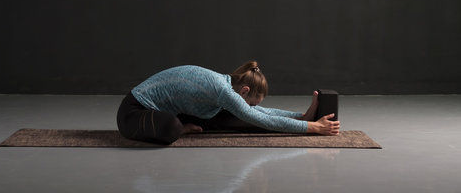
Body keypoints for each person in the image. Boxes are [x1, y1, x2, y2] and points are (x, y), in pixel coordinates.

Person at [117, 60, 340, 145]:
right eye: (249, 101)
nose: (250, 105)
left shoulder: (225, 85)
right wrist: (314, 128)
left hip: (170, 109)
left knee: (233, 118)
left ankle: (301, 118)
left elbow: (259, 111)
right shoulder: (222, 90)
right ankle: (181, 129)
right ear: (244, 90)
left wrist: (301, 118)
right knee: (172, 128)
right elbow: (256, 115)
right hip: (134, 113)